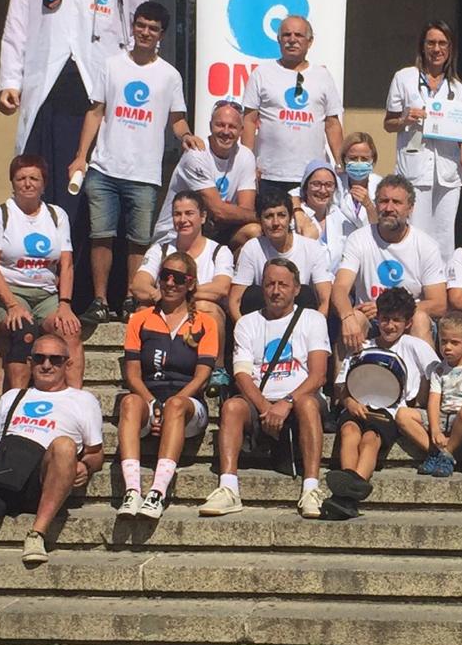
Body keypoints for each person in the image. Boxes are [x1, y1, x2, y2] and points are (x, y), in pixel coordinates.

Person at [0, 0, 148, 311]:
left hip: (100, 100)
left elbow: (139, 33)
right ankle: (43, 291)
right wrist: (10, 81)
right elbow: (16, 30)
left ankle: (95, 295)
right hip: (47, 98)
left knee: (97, 197)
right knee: (48, 190)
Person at [69, 1, 188, 322]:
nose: (145, 32)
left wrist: (187, 136)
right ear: (133, 27)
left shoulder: (169, 75)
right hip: (104, 169)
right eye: (141, 25)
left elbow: (177, 120)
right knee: (101, 236)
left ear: (161, 34)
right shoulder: (111, 65)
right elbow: (95, 111)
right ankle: (99, 300)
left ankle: (131, 300)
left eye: (153, 28)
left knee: (138, 242)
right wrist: (81, 157)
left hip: (145, 173)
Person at [0, 332, 105, 571]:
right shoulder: (13, 396)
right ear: (30, 363)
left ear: (67, 363)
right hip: (4, 469)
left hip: (42, 476)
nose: (46, 365)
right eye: (40, 358)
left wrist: (86, 465)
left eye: (55, 359)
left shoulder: (83, 400)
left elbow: (95, 452)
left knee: (64, 445)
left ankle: (37, 534)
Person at [200, 258, 331, 518]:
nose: (276, 290)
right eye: (270, 283)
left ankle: (311, 488)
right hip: (260, 401)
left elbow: (318, 376)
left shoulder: (312, 319)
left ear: (296, 289)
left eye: (283, 284)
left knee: (306, 403)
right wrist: (265, 408)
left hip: (302, 398)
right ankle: (228, 487)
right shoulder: (248, 323)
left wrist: (286, 403)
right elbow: (241, 374)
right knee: (233, 406)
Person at [115, 252, 217, 520]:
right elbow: (133, 375)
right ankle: (132, 490)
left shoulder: (204, 322)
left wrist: (168, 406)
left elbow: (201, 376)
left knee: (175, 405)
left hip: (188, 402)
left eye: (179, 278)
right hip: (149, 395)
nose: (170, 283)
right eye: (165, 276)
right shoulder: (140, 319)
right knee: (129, 401)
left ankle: (158, 492)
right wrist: (152, 404)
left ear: (191, 284)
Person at [323, 286, 439, 520]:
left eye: (397, 320)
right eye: (385, 319)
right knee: (349, 432)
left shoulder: (414, 346)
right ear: (377, 319)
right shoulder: (363, 347)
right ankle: (349, 480)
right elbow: (342, 384)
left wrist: (421, 401)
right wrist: (349, 402)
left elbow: (435, 374)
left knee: (370, 440)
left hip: (389, 410)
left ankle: (349, 493)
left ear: (407, 323)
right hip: (356, 404)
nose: (390, 325)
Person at [0, 154, 84, 390]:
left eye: (34, 178)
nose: (27, 183)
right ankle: (17, 399)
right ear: (12, 183)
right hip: (6, 292)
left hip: (45, 294)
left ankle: (76, 400)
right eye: (21, 178)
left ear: (44, 184)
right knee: (22, 328)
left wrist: (65, 304)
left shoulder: (57, 215)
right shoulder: (0, 214)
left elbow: (66, 263)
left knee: (70, 330)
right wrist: (12, 305)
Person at [333, 175, 449, 354]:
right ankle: (342, 381)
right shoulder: (359, 239)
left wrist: (390, 310)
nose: (389, 208)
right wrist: (347, 316)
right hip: (371, 319)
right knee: (353, 318)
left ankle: (426, 381)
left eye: (396, 202)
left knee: (420, 319)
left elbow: (439, 303)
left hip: (408, 318)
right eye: (383, 201)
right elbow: (340, 287)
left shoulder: (426, 245)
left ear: (410, 208)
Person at [240, 15, 344, 207]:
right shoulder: (262, 74)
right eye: (286, 35)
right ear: (279, 39)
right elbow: (249, 121)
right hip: (270, 173)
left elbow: (332, 123)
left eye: (299, 35)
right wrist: (246, 165)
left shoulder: (323, 75)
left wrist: (340, 163)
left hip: (311, 174)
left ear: (310, 41)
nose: (292, 39)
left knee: (310, 231)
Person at [384, 21, 462, 258]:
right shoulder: (405, 77)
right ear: (422, 47)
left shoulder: (457, 87)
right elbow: (388, 123)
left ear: (450, 49)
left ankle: (443, 286)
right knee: (417, 232)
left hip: (448, 171)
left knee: (444, 235)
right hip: (415, 167)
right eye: (431, 43)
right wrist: (406, 119)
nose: (436, 49)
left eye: (442, 43)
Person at [132, 191, 234, 375]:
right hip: (166, 313)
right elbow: (138, 285)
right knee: (142, 309)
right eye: (177, 214)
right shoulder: (160, 249)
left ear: (202, 217)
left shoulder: (219, 251)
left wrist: (178, 293)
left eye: (189, 213)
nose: (182, 219)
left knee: (209, 308)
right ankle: (141, 369)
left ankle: (217, 370)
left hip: (198, 314)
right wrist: (160, 295)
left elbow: (221, 288)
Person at [154, 98, 259, 248]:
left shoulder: (246, 155)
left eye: (232, 127)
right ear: (210, 126)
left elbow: (246, 209)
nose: (226, 131)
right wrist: (261, 216)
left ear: (241, 130)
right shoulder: (196, 154)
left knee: (254, 231)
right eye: (220, 125)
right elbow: (218, 211)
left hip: (216, 233)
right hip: (178, 233)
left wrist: (253, 218)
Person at [397, 309, 462, 477]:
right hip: (443, 416)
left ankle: (447, 453)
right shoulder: (439, 369)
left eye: (454, 342)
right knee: (402, 415)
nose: (447, 347)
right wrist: (435, 430)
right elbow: (434, 401)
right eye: (443, 342)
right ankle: (435, 452)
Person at [231, 191, 335, 318]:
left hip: (300, 323)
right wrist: (244, 332)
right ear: (259, 220)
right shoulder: (252, 248)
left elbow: (325, 299)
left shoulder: (311, 247)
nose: (276, 223)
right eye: (269, 216)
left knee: (304, 294)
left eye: (281, 215)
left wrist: (315, 329)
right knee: (253, 294)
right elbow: (235, 301)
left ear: (290, 218)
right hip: (263, 320)